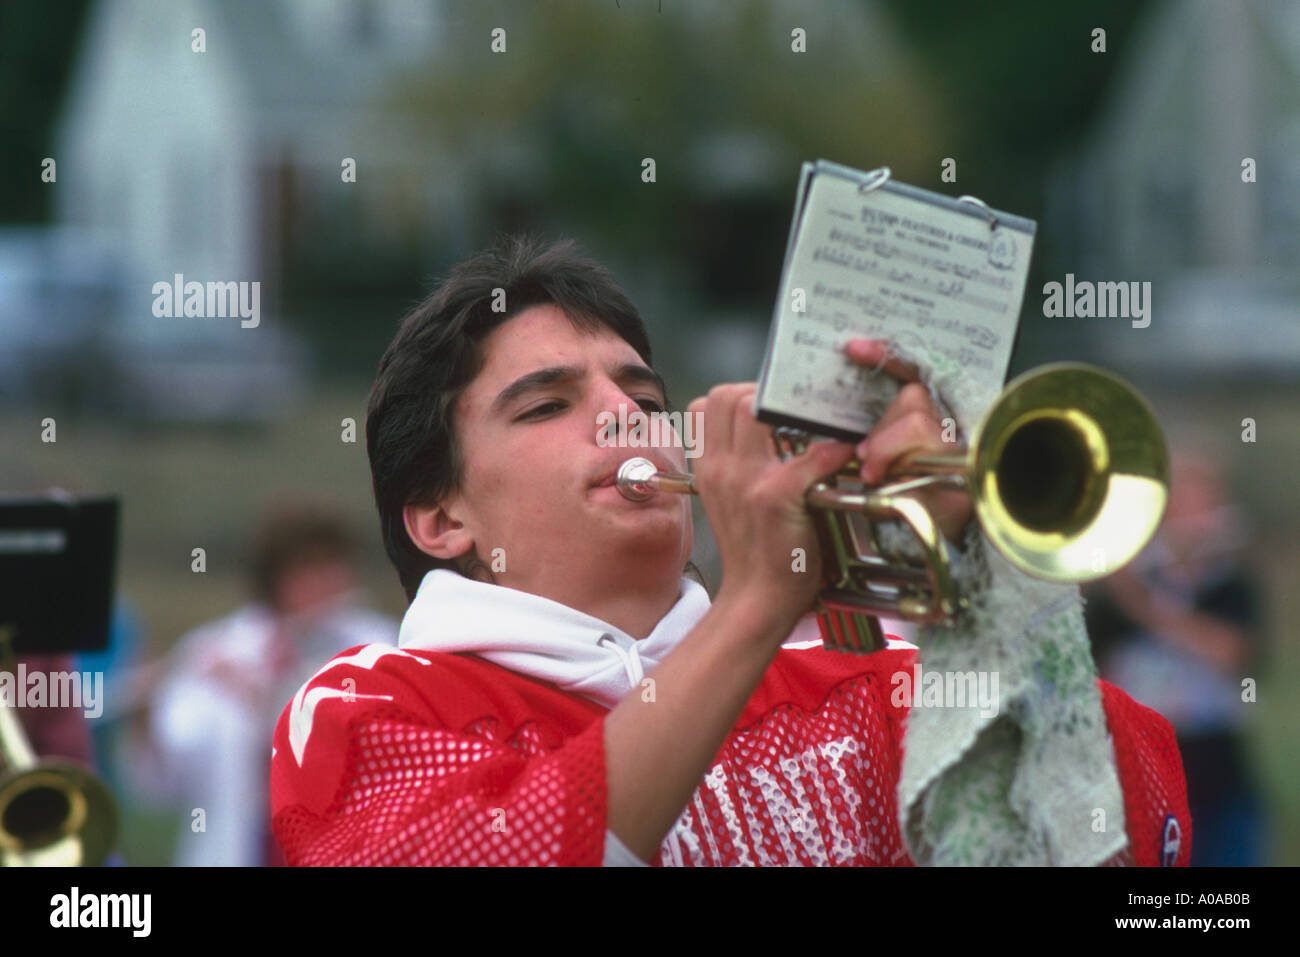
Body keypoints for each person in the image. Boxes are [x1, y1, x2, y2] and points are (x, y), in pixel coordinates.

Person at [269, 234, 1190, 866]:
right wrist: (759, 601)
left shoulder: (863, 684)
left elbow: (1125, 831)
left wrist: (973, 557)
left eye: (640, 390)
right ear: (441, 520)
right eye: (548, 403)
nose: (625, 413)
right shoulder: (370, 705)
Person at [149, 501, 397, 866]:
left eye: (332, 565)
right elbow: (165, 780)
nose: (325, 582)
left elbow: (365, 749)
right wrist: (146, 709)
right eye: (307, 568)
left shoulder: (379, 645)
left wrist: (268, 693)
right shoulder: (218, 647)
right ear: (275, 578)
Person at [1086, 450, 1269, 865]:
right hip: (1134, 768)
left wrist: (1142, 602)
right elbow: (1089, 671)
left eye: (1205, 505)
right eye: (1184, 506)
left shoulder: (1233, 585)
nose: (1195, 520)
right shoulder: (1119, 589)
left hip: (1216, 768)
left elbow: (1233, 654)